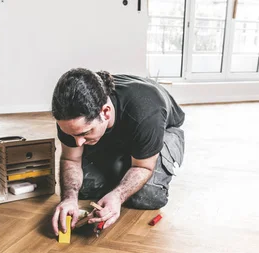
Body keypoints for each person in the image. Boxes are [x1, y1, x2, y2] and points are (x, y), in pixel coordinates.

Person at [51, 68, 185, 236]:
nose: (78, 142)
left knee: (148, 195)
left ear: (105, 112)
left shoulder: (147, 111)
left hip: (162, 128)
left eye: (84, 133)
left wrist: (118, 196)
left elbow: (143, 167)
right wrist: (69, 198)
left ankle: (133, 159)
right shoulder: (69, 116)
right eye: (72, 135)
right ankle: (122, 162)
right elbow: (71, 160)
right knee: (83, 187)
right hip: (118, 132)